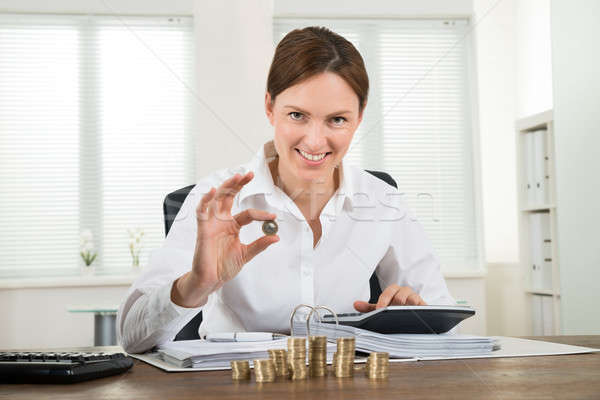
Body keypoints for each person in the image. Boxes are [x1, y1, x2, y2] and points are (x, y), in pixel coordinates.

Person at [117, 26, 455, 354]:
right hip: (234, 387)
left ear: (360, 117)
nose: (314, 140)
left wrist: (415, 316)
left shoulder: (383, 201)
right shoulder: (217, 198)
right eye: (297, 115)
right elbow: (131, 338)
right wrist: (196, 284)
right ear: (269, 107)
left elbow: (443, 316)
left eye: (337, 120)